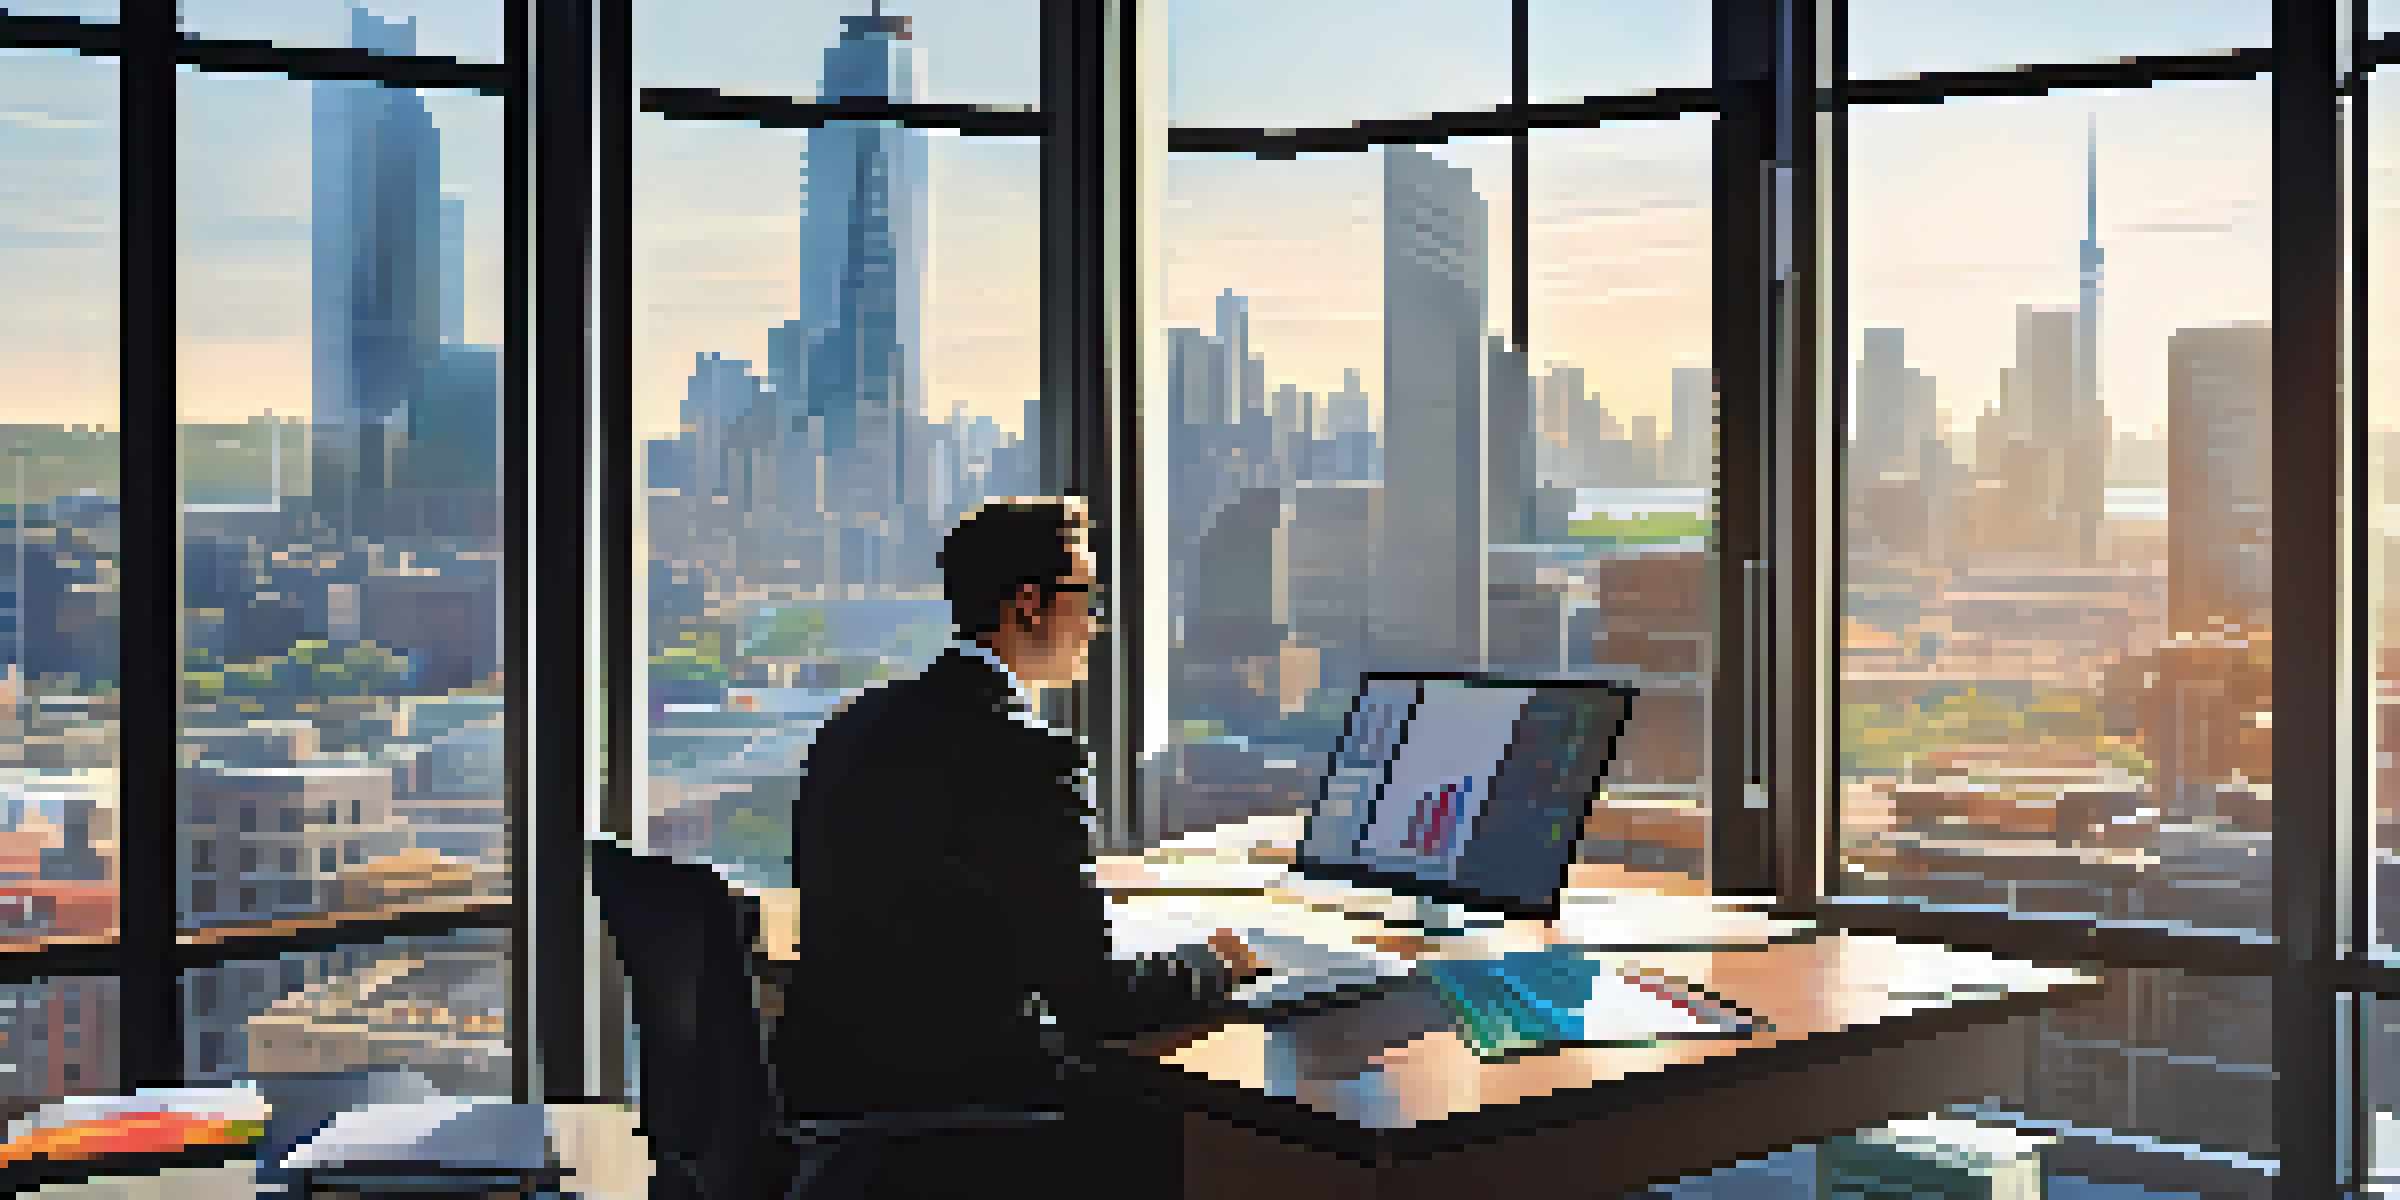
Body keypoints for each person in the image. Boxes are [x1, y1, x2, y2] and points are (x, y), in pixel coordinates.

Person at [772, 497, 1263, 1200]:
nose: (1096, 622)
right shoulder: (1030, 759)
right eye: (1087, 596)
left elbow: (932, 877)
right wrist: (1211, 963)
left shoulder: (862, 722)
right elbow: (1100, 1002)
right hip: (949, 1111)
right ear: (1029, 604)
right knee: (1180, 1131)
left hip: (834, 1085)